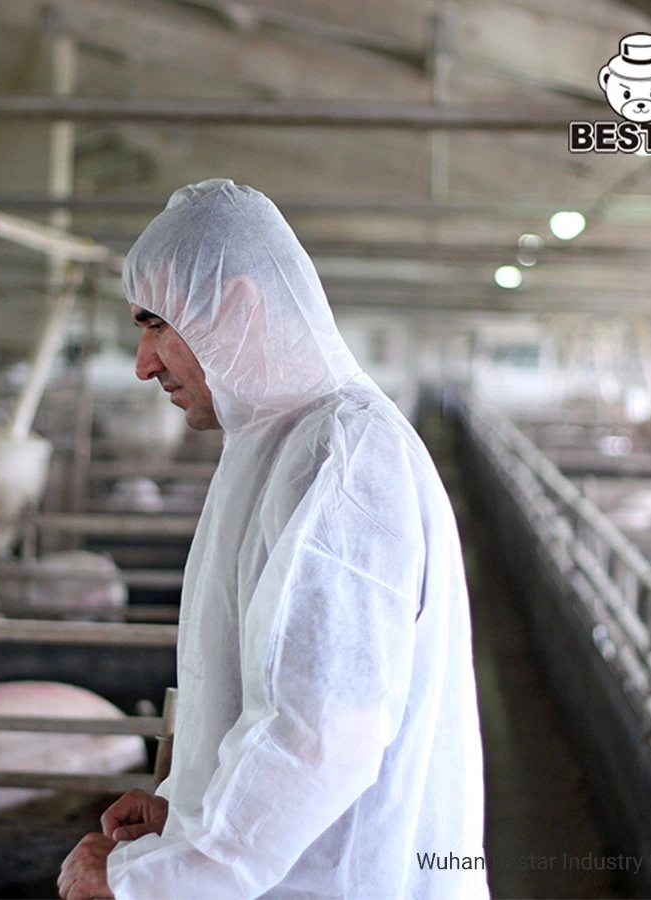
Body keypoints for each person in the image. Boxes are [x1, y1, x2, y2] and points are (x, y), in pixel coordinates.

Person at [58, 179, 488, 900]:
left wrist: (154, 879)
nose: (143, 362)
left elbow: (321, 736)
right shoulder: (278, 445)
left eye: (158, 323)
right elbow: (287, 695)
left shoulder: (342, 454)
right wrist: (192, 807)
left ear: (239, 307)